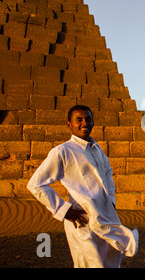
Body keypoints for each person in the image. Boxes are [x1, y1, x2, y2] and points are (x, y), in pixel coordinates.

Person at [27, 105, 138, 268]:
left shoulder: (97, 149)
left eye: (88, 119)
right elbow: (36, 184)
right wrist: (64, 210)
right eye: (79, 120)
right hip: (80, 220)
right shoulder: (62, 151)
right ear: (69, 124)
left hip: (105, 216)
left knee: (109, 261)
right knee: (88, 264)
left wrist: (111, 200)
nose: (84, 123)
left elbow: (108, 172)